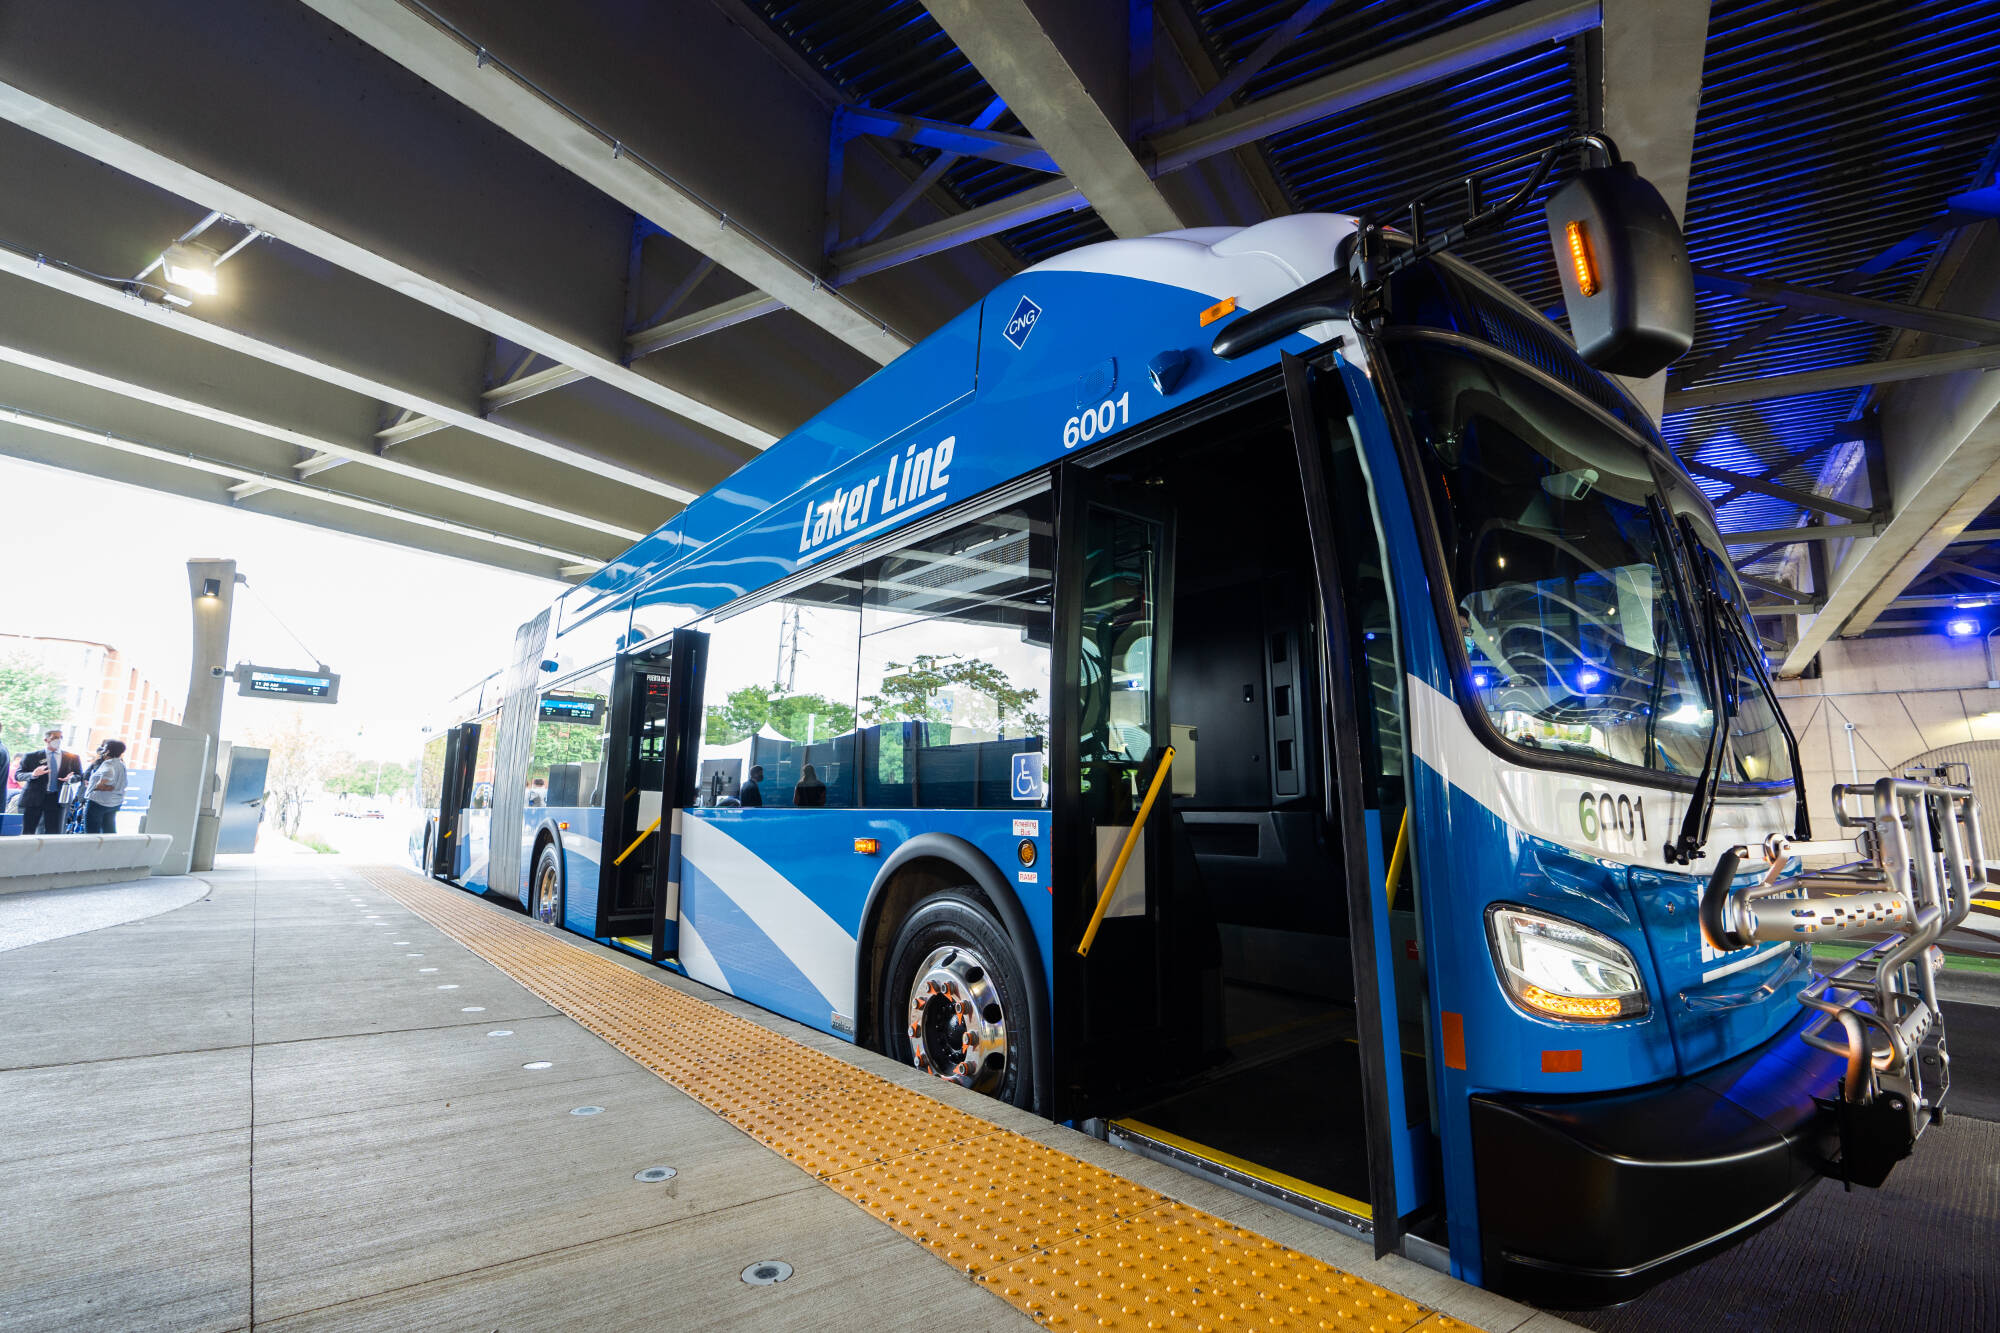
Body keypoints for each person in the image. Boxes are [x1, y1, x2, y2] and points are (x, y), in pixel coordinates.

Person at [15, 727, 82, 836]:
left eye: (60, 737)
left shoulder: (72, 758)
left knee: (54, 833)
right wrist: (33, 774)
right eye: (55, 737)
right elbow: (18, 775)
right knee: (28, 832)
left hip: (57, 799)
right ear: (46, 740)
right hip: (33, 799)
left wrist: (71, 779)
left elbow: (79, 775)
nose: (58, 740)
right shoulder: (31, 756)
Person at [83, 740, 127, 834]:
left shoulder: (109, 763)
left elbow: (108, 775)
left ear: (107, 751)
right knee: (108, 832)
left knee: (91, 833)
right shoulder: (121, 764)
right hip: (114, 803)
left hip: (98, 803)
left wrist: (98, 786)